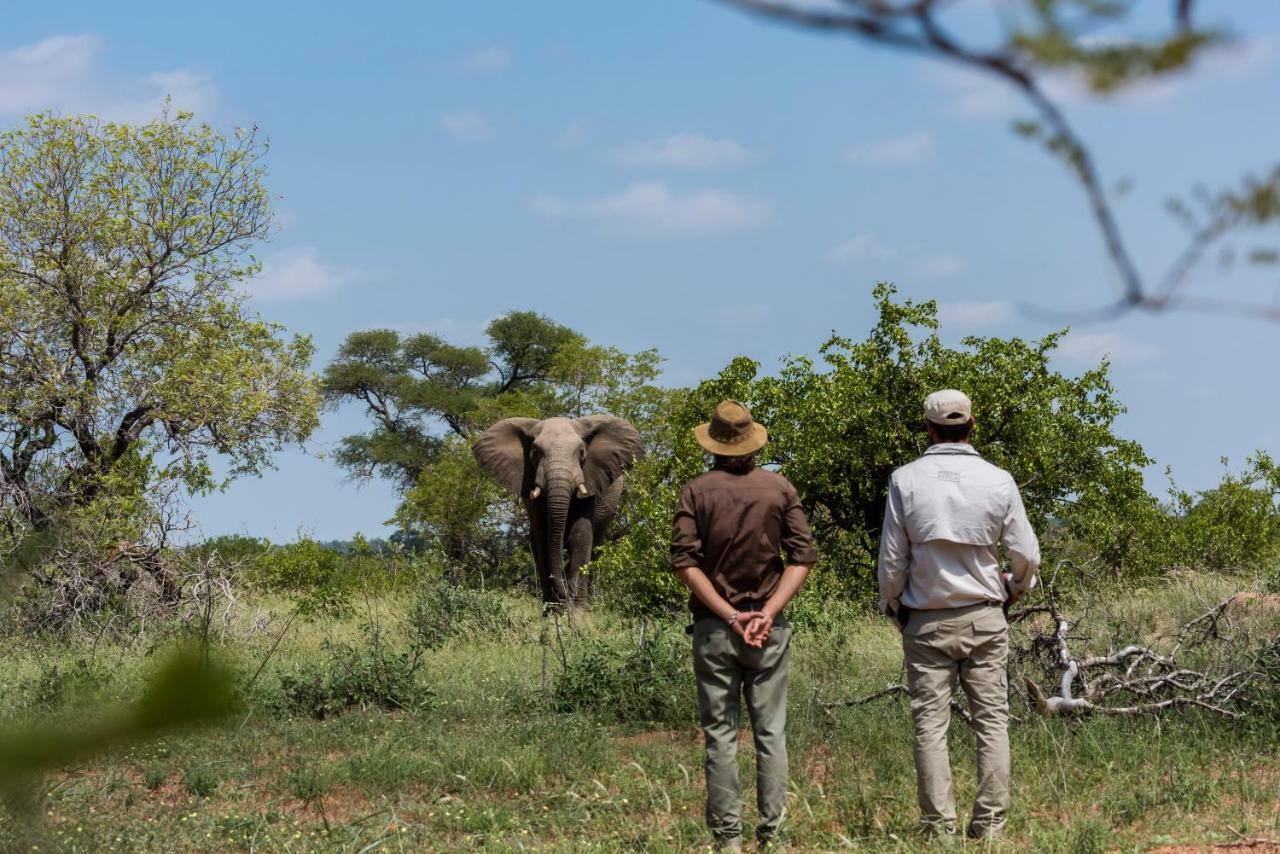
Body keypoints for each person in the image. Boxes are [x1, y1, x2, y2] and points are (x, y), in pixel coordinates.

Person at [877, 389, 1040, 840]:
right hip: (985, 614)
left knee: (930, 725)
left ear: (928, 429)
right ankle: (989, 826)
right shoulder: (998, 479)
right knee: (992, 720)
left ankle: (939, 828)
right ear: (972, 425)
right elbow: (1024, 552)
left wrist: (894, 605)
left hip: (925, 619)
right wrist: (1014, 589)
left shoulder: (905, 480)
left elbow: (892, 560)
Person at [670, 400, 819, 851]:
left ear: (713, 444)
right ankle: (773, 835)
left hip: (715, 629)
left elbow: (683, 561)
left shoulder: (696, 491)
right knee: (770, 734)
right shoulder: (779, 489)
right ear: (753, 442)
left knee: (720, 735)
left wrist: (730, 615)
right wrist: (767, 613)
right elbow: (803, 556)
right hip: (767, 632)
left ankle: (728, 841)